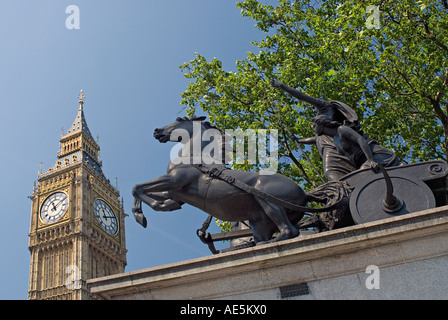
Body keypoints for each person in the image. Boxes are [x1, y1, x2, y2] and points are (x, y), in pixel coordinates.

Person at [312, 115, 399, 171]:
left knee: (362, 176)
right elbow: (313, 140)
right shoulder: (334, 140)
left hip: (376, 155)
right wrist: (299, 140)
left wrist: (371, 160)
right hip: (362, 163)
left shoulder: (341, 129)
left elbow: (360, 140)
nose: (313, 129)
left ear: (322, 124)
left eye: (314, 126)